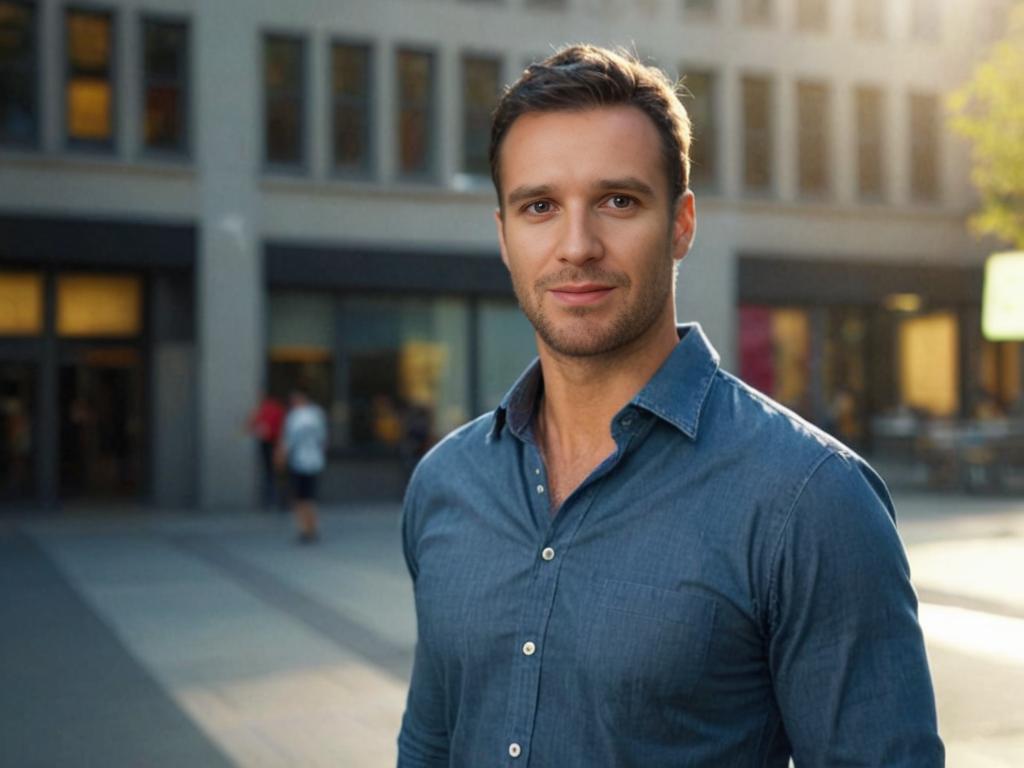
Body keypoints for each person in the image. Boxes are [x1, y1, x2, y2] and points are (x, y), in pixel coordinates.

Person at [397, 45, 943, 767]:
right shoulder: (446, 484)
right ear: (504, 236)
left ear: (682, 224)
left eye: (618, 201)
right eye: (539, 207)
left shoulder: (811, 500)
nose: (577, 245)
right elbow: (431, 745)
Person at [278, 388, 327, 543]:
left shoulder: (295, 417)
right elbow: (323, 439)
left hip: (300, 461)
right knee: (310, 497)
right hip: (314, 461)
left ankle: (305, 528)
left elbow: (287, 441)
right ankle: (311, 527)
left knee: (300, 498)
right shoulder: (316, 414)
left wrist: (281, 458)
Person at [247, 391, 285, 509]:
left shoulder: (264, 409)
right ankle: (279, 501)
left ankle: (271, 501)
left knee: (269, 473)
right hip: (277, 443)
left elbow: (252, 425)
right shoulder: (279, 410)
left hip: (269, 443)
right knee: (278, 474)